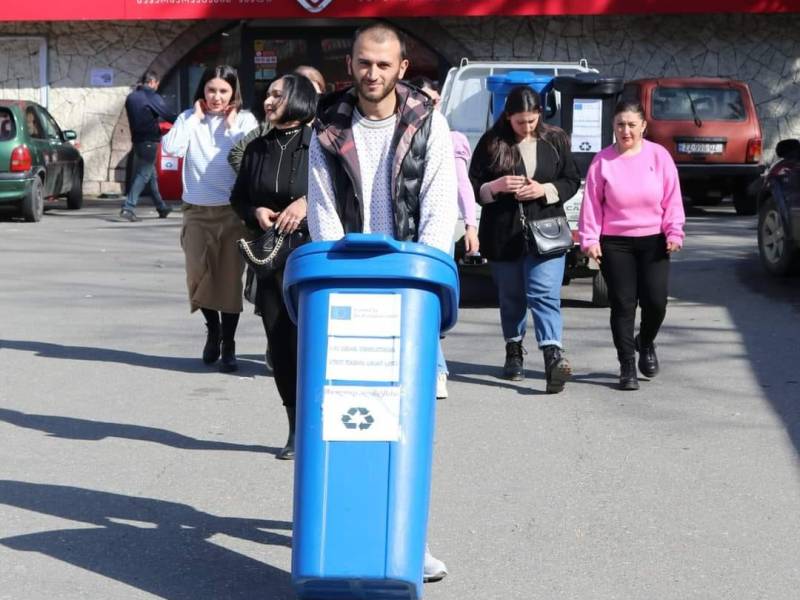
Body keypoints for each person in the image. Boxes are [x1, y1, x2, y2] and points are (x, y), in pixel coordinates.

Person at [306, 22, 457, 584]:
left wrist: (422, 276)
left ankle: (406, 540)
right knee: (347, 416)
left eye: (383, 64)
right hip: (346, 289)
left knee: (407, 417)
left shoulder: (427, 123)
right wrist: (335, 266)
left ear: (402, 69)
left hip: (407, 291)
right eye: (364, 63)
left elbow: (440, 206)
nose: (373, 74)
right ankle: (341, 529)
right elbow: (322, 209)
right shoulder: (327, 127)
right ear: (352, 64)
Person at [229, 73, 318, 460]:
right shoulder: (257, 149)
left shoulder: (321, 144)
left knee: (315, 343)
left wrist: (306, 203)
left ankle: (323, 423)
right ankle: (296, 428)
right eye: (267, 95)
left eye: (277, 95)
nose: (268, 101)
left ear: (297, 98)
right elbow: (238, 198)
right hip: (271, 258)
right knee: (281, 344)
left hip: (316, 255)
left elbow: (346, 192)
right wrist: (256, 211)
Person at [469, 86, 580, 394]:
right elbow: (473, 185)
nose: (527, 127)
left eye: (532, 121)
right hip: (504, 233)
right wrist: (496, 185)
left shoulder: (554, 139)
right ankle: (514, 348)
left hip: (546, 230)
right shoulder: (492, 143)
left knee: (544, 293)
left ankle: (552, 355)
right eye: (521, 122)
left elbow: (572, 179)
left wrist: (544, 189)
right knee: (512, 297)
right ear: (508, 117)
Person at [577, 100, 685, 390]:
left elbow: (672, 199)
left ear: (643, 127)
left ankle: (645, 342)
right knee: (623, 305)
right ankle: (626, 365)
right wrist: (589, 239)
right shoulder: (602, 161)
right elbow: (591, 205)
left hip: (654, 240)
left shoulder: (659, 156)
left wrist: (674, 232)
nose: (626, 131)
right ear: (613, 127)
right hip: (616, 243)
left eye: (631, 125)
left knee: (656, 302)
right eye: (620, 125)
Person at [162, 65, 258, 373]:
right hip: (196, 211)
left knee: (229, 281)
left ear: (234, 92)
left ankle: (228, 343)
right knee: (198, 276)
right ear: (202, 90)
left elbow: (252, 157)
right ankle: (212, 329)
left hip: (232, 213)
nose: (216, 97)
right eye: (211, 90)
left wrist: (231, 127)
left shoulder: (245, 120)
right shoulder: (188, 119)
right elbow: (172, 148)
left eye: (223, 91)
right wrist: (193, 119)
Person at [408, 75, 479, 400]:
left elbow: (463, 184)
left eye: (433, 100)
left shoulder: (451, 138)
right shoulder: (398, 133)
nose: (427, 105)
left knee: (430, 300)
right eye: (421, 98)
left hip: (438, 228)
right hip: (404, 228)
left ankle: (436, 370)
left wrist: (471, 223)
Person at [228, 66, 327, 175]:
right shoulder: (269, 126)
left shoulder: (329, 127)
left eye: (316, 95)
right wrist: (260, 180)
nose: (310, 101)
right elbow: (236, 154)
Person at [120, 70, 177, 222]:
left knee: (151, 176)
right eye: (157, 84)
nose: (157, 87)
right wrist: (186, 120)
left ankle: (161, 207)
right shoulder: (151, 96)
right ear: (152, 82)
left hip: (137, 140)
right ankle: (128, 207)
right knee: (144, 174)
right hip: (149, 141)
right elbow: (168, 115)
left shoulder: (131, 97)